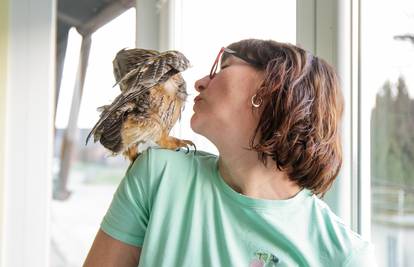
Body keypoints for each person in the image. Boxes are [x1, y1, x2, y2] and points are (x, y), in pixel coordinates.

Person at [83, 39, 377, 266]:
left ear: (274, 87)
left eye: (223, 67)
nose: (198, 83)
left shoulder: (344, 255)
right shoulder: (157, 173)